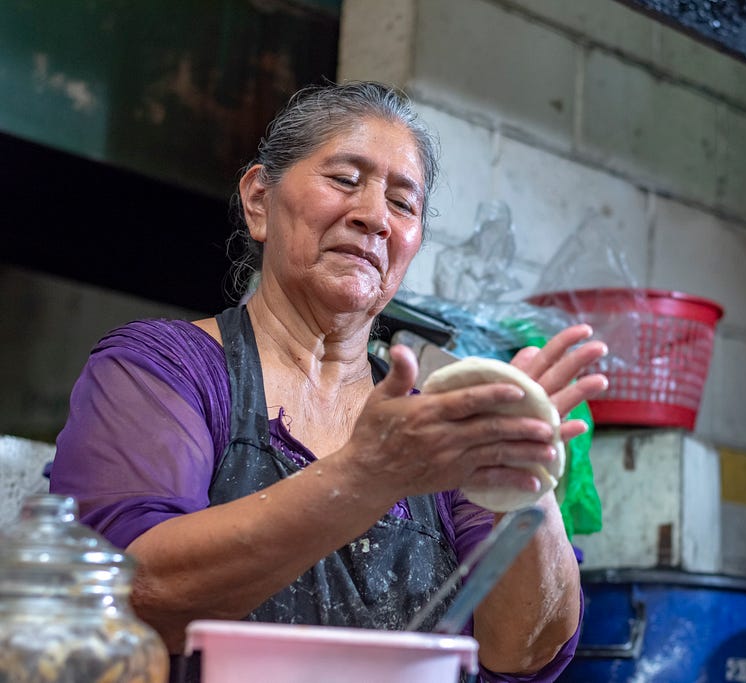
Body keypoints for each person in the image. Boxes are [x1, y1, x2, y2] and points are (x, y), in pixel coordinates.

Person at [48, 80, 608, 682]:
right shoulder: (168, 369)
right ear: (259, 200)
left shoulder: (432, 431)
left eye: (403, 203)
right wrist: (366, 477)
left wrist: (525, 482)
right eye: (344, 179)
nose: (373, 217)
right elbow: (132, 592)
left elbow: (524, 653)